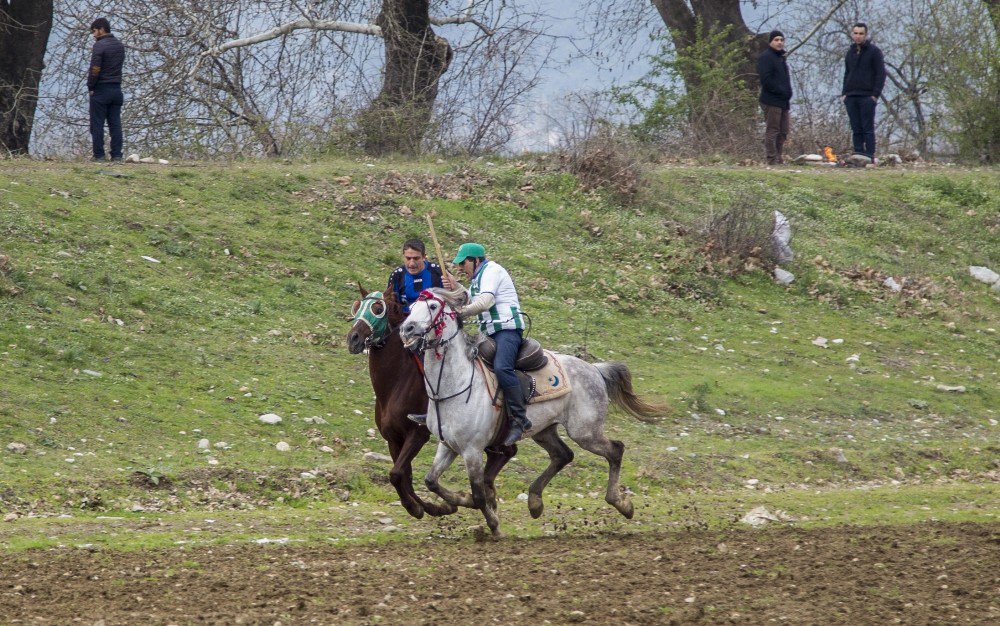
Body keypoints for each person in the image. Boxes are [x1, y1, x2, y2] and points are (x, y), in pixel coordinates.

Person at [409, 243, 530, 446]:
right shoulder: (476, 279)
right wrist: (456, 287)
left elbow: (484, 303)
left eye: (463, 263)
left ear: (476, 260)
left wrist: (460, 312)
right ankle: (436, 412)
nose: (460, 267)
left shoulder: (492, 271)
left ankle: (520, 420)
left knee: (502, 368)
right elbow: (471, 297)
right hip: (487, 333)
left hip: (506, 330)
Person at [841, 22, 886, 160]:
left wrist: (875, 95)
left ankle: (870, 155)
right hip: (851, 96)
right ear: (852, 34)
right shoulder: (850, 52)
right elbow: (847, 73)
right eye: (856, 33)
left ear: (865, 35)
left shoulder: (874, 52)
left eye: (861, 33)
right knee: (856, 128)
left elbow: (881, 74)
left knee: (867, 128)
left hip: (867, 96)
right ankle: (859, 154)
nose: (858, 36)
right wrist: (844, 93)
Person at [87, 18, 125, 162]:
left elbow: (95, 69)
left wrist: (91, 86)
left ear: (101, 29)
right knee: (115, 124)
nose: (93, 35)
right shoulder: (120, 46)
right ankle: (116, 155)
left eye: (94, 31)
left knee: (97, 124)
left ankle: (99, 155)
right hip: (116, 89)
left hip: (101, 89)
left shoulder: (99, 46)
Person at [757, 30, 792, 166]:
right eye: (776, 40)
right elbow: (766, 80)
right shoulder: (766, 57)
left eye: (781, 40)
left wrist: (788, 93)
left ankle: (778, 157)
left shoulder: (781, 58)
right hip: (771, 100)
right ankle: (772, 159)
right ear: (771, 41)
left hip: (783, 101)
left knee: (783, 131)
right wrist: (781, 91)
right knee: (773, 130)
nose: (779, 42)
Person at [387, 238, 443, 314]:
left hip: (433, 320)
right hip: (406, 320)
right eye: (408, 258)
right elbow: (392, 307)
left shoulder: (438, 271)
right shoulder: (397, 275)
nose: (412, 263)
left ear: (424, 257)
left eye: (416, 258)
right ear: (403, 257)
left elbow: (452, 301)